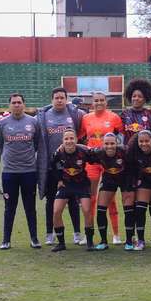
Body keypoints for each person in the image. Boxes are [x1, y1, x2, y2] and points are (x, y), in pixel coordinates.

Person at [37, 87, 84, 246]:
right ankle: (50, 233)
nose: (59, 100)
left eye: (62, 98)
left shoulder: (75, 114)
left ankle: (77, 233)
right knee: (51, 200)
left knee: (73, 200)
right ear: (52, 100)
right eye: (56, 98)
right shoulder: (43, 116)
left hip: (72, 165)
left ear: (66, 99)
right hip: (51, 166)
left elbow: (83, 132)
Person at [0, 93, 41, 250]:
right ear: (9, 105)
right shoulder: (2, 124)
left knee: (30, 207)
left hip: (29, 171)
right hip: (9, 172)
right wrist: (8, 157)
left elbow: (36, 143)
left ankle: (34, 238)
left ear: (24, 104)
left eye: (19, 102)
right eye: (13, 102)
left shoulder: (33, 122)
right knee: (9, 207)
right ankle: (6, 240)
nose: (16, 105)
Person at [78, 92, 124, 244]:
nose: (99, 103)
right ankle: (88, 233)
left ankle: (116, 234)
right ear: (92, 103)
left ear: (106, 102)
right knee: (90, 198)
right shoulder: (86, 118)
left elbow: (122, 137)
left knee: (110, 199)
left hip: (109, 162)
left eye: (101, 100)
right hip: (92, 162)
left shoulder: (114, 117)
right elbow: (79, 137)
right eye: (96, 100)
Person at [121, 78, 151, 245]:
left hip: (147, 161)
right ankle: (133, 234)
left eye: (140, 96)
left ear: (145, 98)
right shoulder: (124, 115)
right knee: (133, 199)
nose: (136, 98)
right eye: (134, 96)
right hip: (130, 161)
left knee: (150, 198)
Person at [50, 130, 96, 252]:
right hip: (66, 184)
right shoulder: (59, 152)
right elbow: (52, 165)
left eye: (71, 138)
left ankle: (90, 242)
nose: (69, 141)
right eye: (66, 139)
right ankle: (61, 243)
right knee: (56, 211)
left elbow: (96, 158)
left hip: (82, 184)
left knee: (87, 210)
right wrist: (59, 179)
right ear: (63, 141)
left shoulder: (83, 151)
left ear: (76, 140)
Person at [86, 133, 132, 250]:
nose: (109, 146)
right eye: (106, 143)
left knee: (128, 209)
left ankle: (129, 241)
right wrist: (63, 146)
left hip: (126, 179)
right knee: (101, 209)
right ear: (103, 144)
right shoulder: (99, 152)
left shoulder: (125, 151)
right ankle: (103, 241)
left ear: (117, 143)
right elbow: (83, 151)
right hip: (109, 179)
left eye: (112, 143)